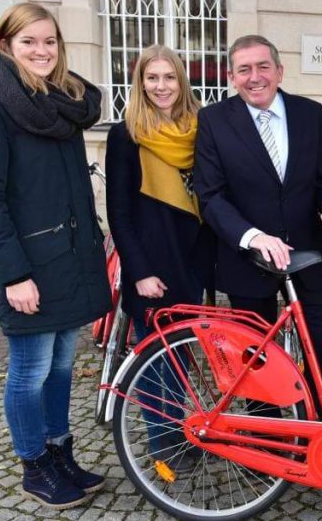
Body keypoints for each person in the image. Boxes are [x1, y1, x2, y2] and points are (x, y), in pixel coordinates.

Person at [0, 2, 110, 509]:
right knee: (30, 367)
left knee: (63, 363)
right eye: (29, 42)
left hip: (69, 257)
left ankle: (58, 449)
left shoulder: (62, 101)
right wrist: (14, 274)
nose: (41, 51)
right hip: (29, 266)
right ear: (7, 45)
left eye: (49, 41)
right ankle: (33, 464)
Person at [193, 35, 322, 417]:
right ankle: (268, 444)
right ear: (231, 77)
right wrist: (253, 237)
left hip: (306, 253)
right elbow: (211, 196)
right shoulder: (214, 120)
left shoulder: (310, 113)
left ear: (279, 71)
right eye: (244, 69)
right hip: (246, 257)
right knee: (255, 353)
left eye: (263, 67)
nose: (255, 77)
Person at [105, 44, 215, 471]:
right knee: (154, 356)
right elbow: (119, 210)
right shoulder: (127, 133)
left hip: (191, 261)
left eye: (169, 77)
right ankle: (161, 441)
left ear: (181, 80)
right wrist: (139, 271)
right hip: (152, 265)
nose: (161, 86)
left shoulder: (198, 128)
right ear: (140, 82)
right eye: (152, 78)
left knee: (183, 353)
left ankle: (178, 430)